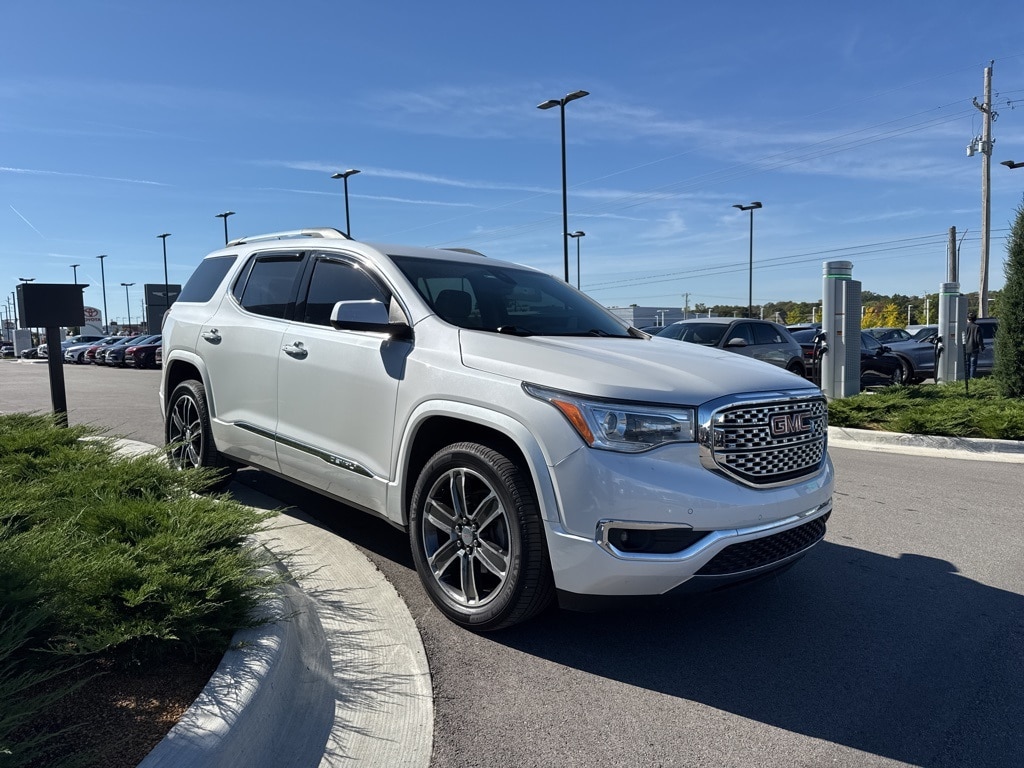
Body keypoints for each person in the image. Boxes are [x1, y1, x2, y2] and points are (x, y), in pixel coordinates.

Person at [964, 312, 985, 379]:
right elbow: (979, 338)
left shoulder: (965, 326)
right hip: (974, 348)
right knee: (973, 365)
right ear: (975, 319)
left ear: (968, 318)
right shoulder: (977, 327)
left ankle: (966, 378)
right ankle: (972, 378)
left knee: (967, 363)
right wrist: (982, 346)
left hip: (966, 348)